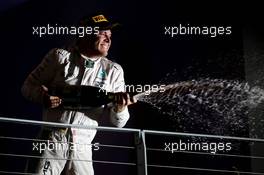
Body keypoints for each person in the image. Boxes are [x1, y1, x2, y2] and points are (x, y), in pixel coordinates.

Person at [22, 13, 135, 175]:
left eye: (110, 35)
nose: (108, 40)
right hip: (50, 141)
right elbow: (27, 87)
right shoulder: (59, 57)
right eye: (102, 33)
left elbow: (119, 123)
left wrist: (120, 108)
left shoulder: (114, 71)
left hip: (83, 147)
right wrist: (42, 97)